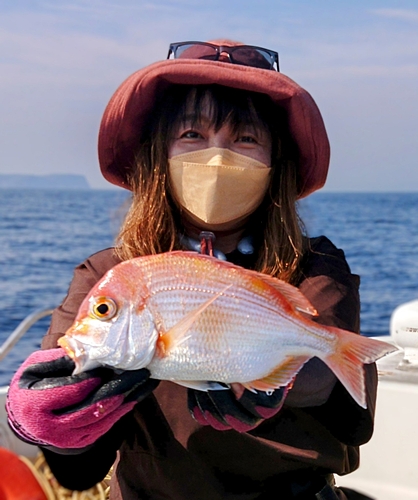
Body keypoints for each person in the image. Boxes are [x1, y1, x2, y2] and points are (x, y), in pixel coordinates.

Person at [7, 40, 377, 499]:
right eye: (191, 136)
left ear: (274, 164)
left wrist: (267, 375)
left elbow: (349, 417)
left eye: (245, 139)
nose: (218, 158)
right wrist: (57, 420)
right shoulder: (109, 273)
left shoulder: (315, 266)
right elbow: (80, 474)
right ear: (157, 156)